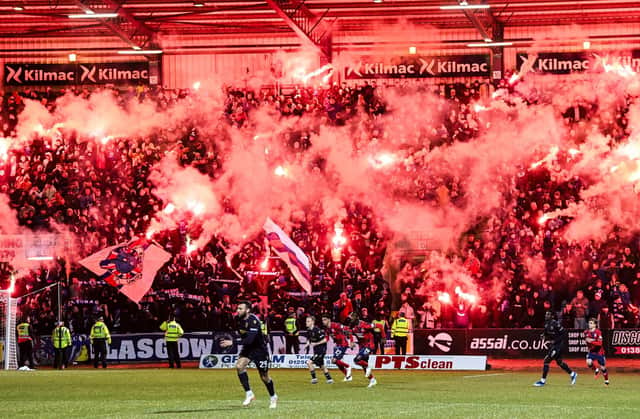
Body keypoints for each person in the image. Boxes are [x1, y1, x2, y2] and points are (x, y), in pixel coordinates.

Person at [220, 301, 278, 409]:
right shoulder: (237, 320)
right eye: (237, 308)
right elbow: (243, 336)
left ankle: (273, 396)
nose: (238, 310)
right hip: (248, 348)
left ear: (247, 310)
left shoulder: (253, 320)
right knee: (239, 366)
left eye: (240, 309)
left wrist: (233, 343)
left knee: (264, 377)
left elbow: (250, 339)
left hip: (260, 350)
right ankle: (249, 393)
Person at [534, 311, 577, 387]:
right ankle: (573, 374)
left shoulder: (556, 323)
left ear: (552, 316)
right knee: (559, 362)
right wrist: (543, 335)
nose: (546, 315)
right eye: (546, 314)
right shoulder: (546, 324)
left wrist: (556, 341)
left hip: (558, 346)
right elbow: (546, 333)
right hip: (554, 345)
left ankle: (542, 381)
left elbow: (564, 333)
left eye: (548, 314)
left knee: (546, 361)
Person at [348, 312, 377, 388]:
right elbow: (350, 334)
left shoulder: (364, 324)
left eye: (351, 318)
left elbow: (379, 326)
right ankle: (372, 380)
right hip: (362, 347)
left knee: (357, 360)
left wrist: (383, 337)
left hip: (369, 345)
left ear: (356, 318)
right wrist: (351, 342)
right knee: (363, 365)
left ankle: (369, 366)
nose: (350, 320)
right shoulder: (353, 327)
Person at [321, 313, 352, 381]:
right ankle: (348, 377)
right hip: (337, 345)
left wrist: (350, 341)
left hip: (343, 344)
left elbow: (347, 329)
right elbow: (327, 339)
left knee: (334, 360)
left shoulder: (336, 325)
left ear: (329, 320)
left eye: (325, 320)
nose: (323, 321)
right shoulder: (327, 329)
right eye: (322, 320)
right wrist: (317, 342)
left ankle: (348, 366)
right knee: (336, 363)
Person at [305, 316, 333, 384]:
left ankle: (314, 379)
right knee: (322, 365)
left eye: (308, 321)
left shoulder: (317, 330)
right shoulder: (309, 330)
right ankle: (329, 379)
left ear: (312, 322)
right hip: (316, 350)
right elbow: (309, 339)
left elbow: (325, 339)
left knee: (309, 362)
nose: (306, 323)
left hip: (321, 350)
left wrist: (316, 343)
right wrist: (307, 344)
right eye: (306, 321)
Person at [584, 318, 609, 385]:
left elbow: (600, 343)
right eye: (589, 323)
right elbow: (587, 341)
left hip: (599, 352)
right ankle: (596, 370)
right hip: (592, 352)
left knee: (603, 368)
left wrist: (592, 341)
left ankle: (606, 381)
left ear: (595, 325)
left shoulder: (598, 332)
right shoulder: (586, 332)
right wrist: (588, 343)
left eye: (591, 323)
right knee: (588, 362)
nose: (590, 324)